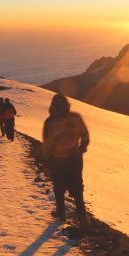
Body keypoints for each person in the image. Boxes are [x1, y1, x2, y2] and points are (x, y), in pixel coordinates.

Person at [42, 94, 91, 231]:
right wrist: (82, 148)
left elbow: (47, 142)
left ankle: (61, 213)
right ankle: (83, 219)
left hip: (57, 159)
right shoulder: (75, 117)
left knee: (58, 186)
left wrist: (48, 156)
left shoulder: (50, 121)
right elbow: (85, 134)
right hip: (75, 157)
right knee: (77, 187)